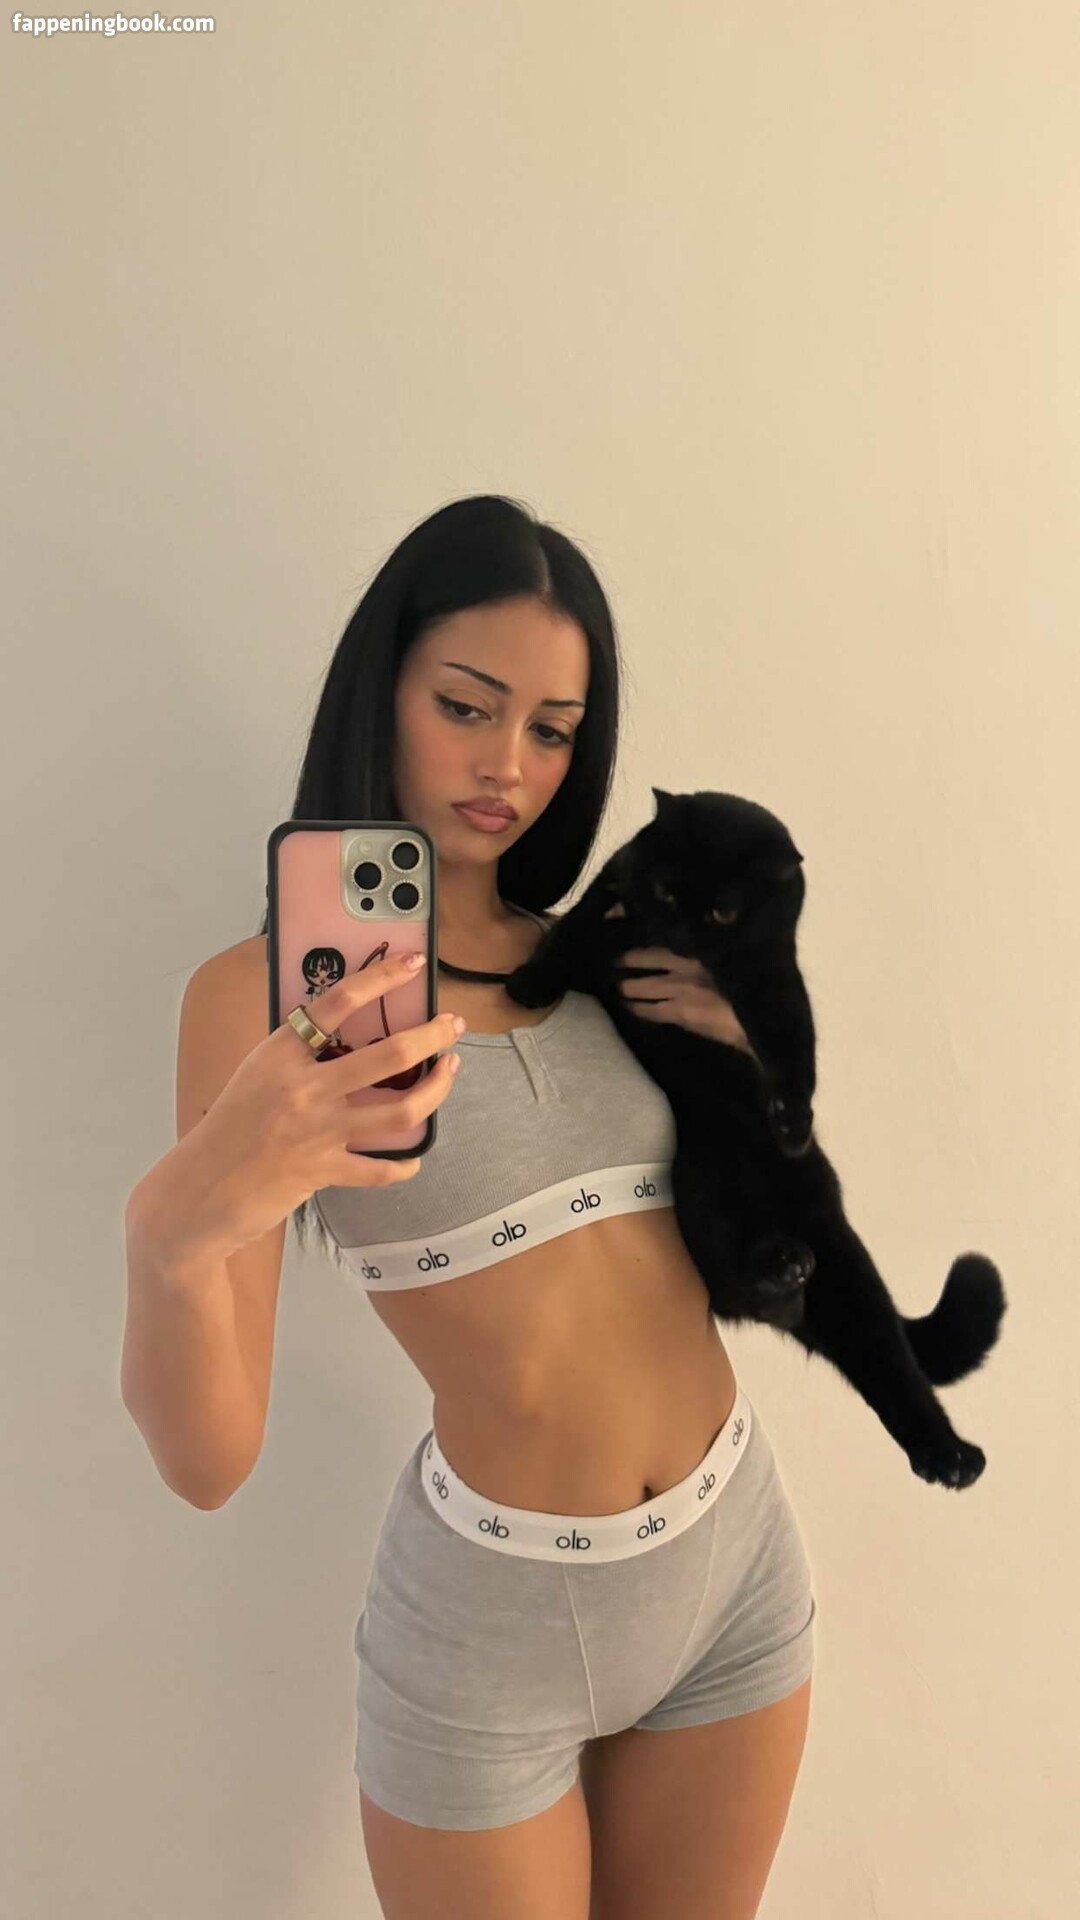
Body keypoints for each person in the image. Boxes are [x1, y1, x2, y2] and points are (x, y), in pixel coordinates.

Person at [121, 495, 816, 1920]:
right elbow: (207, 1463)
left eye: (553, 730)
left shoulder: (608, 960)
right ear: (381, 689)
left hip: (735, 1567)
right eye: (466, 706)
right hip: (493, 1637)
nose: (509, 766)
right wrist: (172, 1231)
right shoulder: (263, 1005)